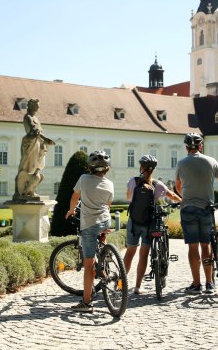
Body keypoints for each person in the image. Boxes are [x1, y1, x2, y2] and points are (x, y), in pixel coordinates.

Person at [174, 133, 218, 294]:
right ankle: (209, 283)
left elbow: (177, 186)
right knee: (205, 245)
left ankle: (196, 284)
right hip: (206, 208)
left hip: (188, 208)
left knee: (193, 246)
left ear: (186, 147)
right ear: (200, 146)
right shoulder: (211, 161)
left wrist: (185, 197)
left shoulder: (181, 163)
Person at [123, 154, 181, 295]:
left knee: (130, 253)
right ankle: (137, 287)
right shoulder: (157, 185)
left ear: (141, 168)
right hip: (149, 223)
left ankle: (121, 284)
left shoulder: (133, 181)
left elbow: (128, 197)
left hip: (134, 222)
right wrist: (182, 200)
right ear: (153, 169)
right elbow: (171, 196)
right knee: (144, 255)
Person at [65, 150, 114, 313]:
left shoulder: (84, 179)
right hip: (106, 221)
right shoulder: (110, 184)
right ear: (107, 168)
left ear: (90, 167)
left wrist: (71, 211)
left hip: (89, 224)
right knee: (102, 232)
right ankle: (105, 258)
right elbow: (108, 205)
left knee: (88, 265)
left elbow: (74, 198)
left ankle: (86, 303)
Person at [14, 98, 55, 199]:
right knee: (26, 166)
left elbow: (40, 132)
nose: (38, 107)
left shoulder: (36, 118)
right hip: (30, 143)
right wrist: (45, 139)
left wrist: (45, 141)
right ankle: (20, 191)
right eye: (37, 105)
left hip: (37, 144)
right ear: (32, 105)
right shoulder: (27, 117)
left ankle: (31, 190)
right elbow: (34, 131)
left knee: (35, 166)